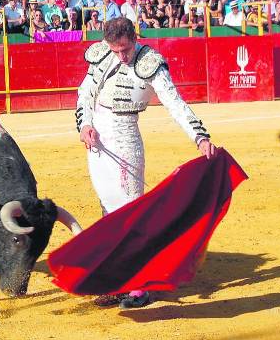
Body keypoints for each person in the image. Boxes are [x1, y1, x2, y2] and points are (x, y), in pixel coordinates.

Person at [75, 17, 217, 309]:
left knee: (132, 213)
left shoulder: (150, 62)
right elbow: (85, 94)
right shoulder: (102, 53)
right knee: (108, 212)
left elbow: (175, 103)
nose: (121, 56)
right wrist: (84, 124)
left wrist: (200, 137)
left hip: (126, 136)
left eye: (125, 49)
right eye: (115, 50)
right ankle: (117, 282)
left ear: (134, 38)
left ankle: (139, 285)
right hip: (97, 138)